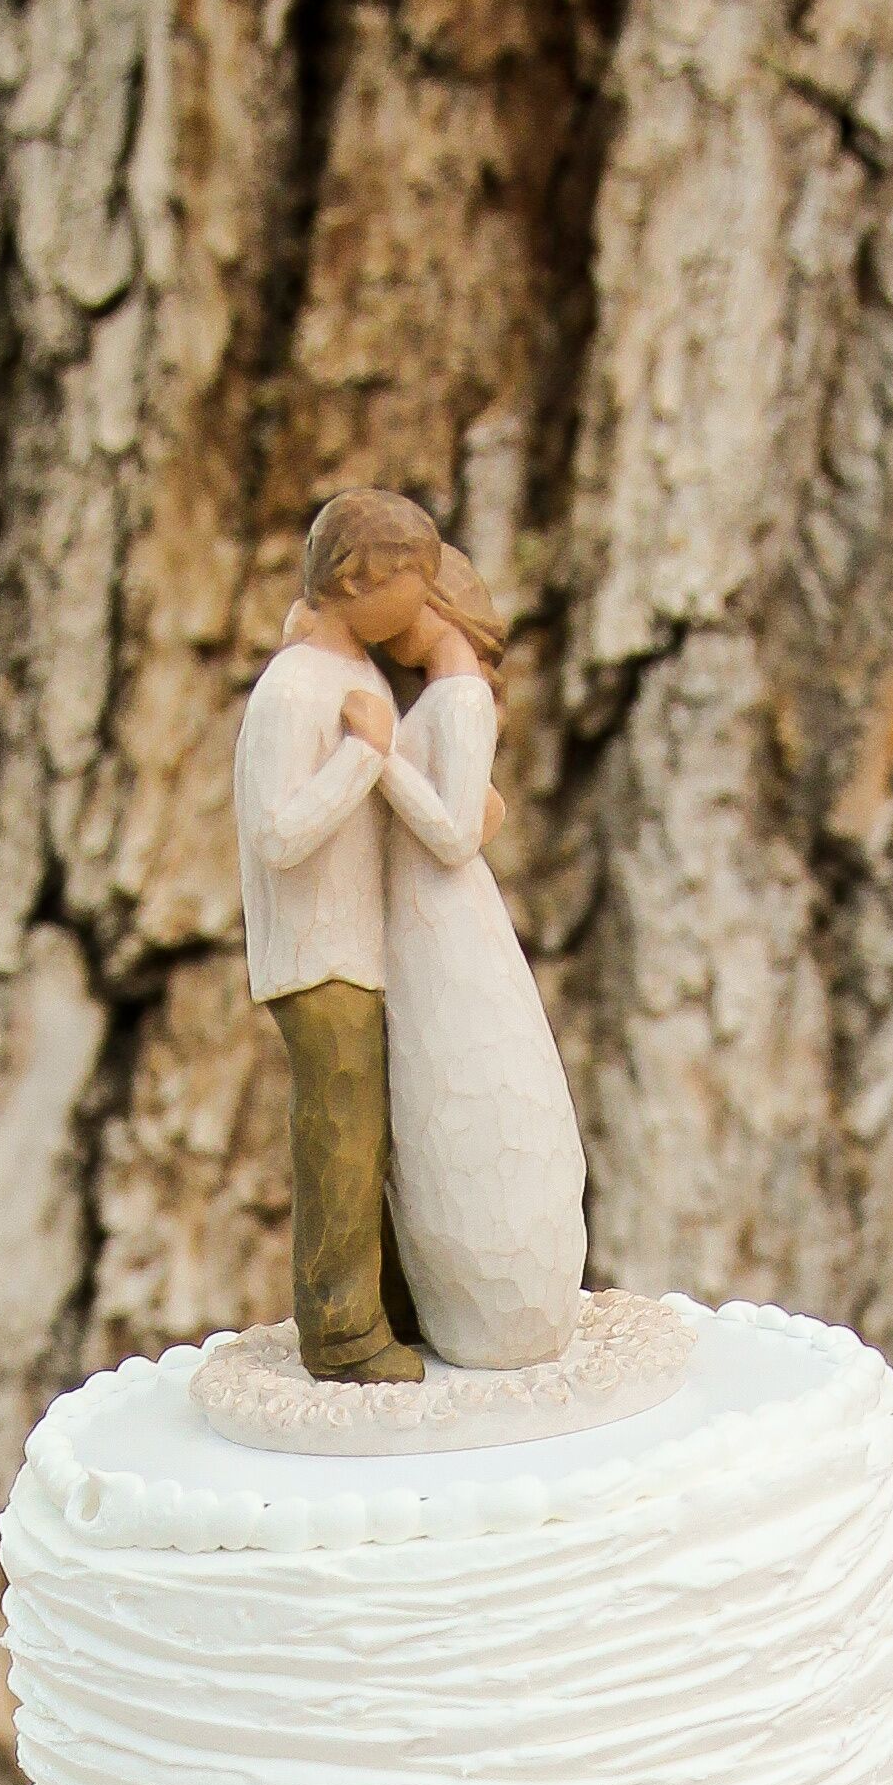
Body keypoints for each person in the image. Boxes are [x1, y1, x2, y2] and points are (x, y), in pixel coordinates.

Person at [230, 490, 441, 1384]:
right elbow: (278, 833)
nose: (426, 600)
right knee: (340, 1133)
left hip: (358, 946)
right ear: (362, 579)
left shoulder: (346, 680)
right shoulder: (293, 693)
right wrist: (365, 754)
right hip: (317, 958)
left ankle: (387, 1301)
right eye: (414, 581)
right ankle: (341, 1329)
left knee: (376, 1132)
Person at [375, 546, 588, 1371]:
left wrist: (380, 756)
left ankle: (499, 1306)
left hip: (445, 921)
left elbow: (456, 831)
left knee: (466, 1091)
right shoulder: (446, 698)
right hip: (433, 922)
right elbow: (485, 812)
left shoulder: (460, 698)